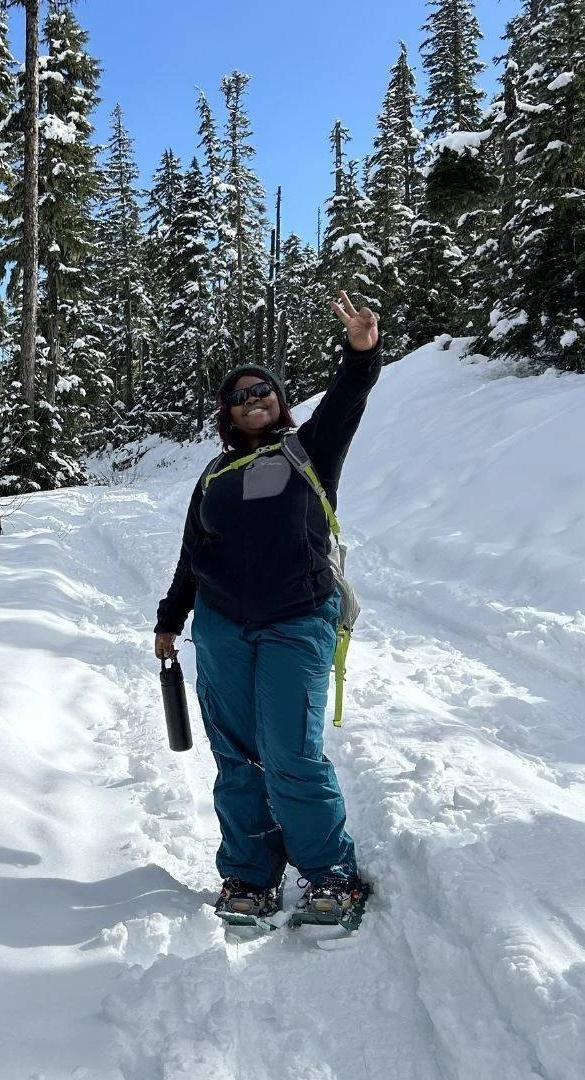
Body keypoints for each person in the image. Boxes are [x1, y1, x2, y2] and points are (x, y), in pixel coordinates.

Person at [154, 291, 383, 923]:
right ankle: (250, 877)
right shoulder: (212, 477)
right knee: (236, 756)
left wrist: (360, 352)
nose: (254, 399)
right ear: (226, 413)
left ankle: (330, 873)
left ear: (279, 403)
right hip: (223, 628)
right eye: (240, 395)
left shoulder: (307, 452)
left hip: (297, 620)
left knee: (290, 752)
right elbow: (191, 555)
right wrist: (170, 621)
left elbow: (347, 400)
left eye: (265, 391)